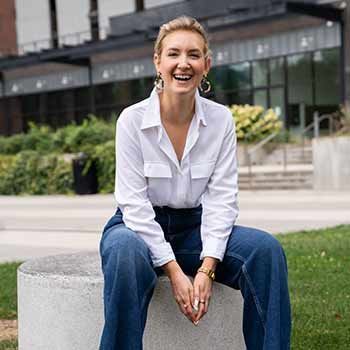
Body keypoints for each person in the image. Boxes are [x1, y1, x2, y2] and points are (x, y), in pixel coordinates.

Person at [99, 16, 291, 350]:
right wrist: (174, 272)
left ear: (206, 64)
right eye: (173, 54)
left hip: (196, 227)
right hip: (135, 227)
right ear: (157, 62)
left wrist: (206, 269)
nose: (183, 63)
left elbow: (222, 199)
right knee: (125, 253)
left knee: (266, 250)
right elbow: (133, 204)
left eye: (193, 54)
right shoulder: (131, 120)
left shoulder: (220, 120)